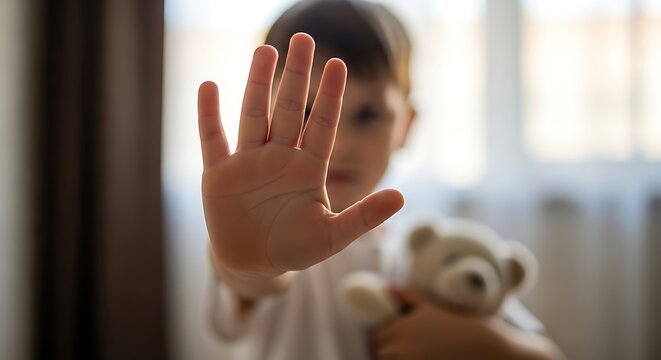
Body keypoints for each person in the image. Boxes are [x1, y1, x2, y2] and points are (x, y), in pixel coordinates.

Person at [198, 0, 565, 359]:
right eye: (309, 111)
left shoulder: (433, 252)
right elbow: (255, 280)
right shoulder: (268, 240)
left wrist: (491, 346)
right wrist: (252, 265)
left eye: (368, 115)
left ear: (406, 126)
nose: (338, 144)